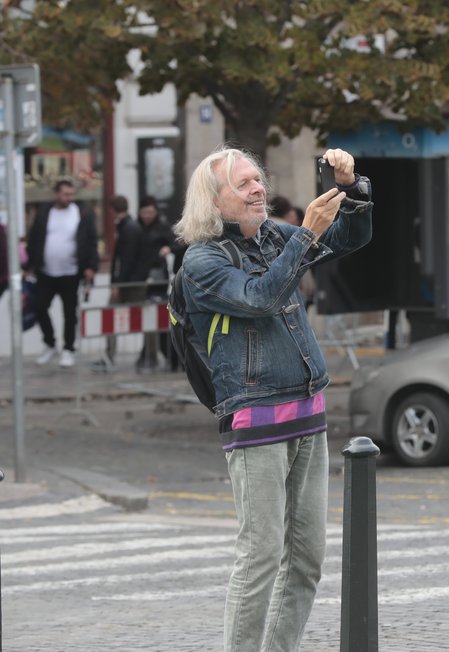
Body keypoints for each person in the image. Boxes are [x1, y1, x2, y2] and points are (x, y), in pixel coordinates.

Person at [176, 145, 372, 651]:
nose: (258, 188)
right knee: (261, 555)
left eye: (257, 179)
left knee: (307, 559)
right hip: (257, 415)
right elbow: (260, 297)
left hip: (308, 409)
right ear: (214, 201)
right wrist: (305, 232)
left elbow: (349, 239)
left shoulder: (271, 237)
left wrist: (349, 189)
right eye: (243, 184)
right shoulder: (202, 260)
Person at [26, 180, 100, 368]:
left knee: (69, 312)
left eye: (71, 194)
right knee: (39, 306)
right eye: (65, 194)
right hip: (46, 272)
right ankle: (50, 344)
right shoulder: (44, 212)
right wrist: (30, 264)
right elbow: (34, 237)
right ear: (56, 194)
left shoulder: (81, 213)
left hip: (71, 272)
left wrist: (91, 266)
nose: (69, 198)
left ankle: (68, 349)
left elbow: (91, 241)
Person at [92, 195, 147, 372]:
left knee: (115, 316)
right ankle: (147, 357)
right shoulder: (128, 226)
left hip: (129, 284)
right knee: (146, 319)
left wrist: (118, 284)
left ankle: (112, 355)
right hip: (132, 282)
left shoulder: (128, 228)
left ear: (113, 210)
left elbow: (126, 260)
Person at [136, 195, 179, 373]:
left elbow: (177, 243)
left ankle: (167, 356)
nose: (148, 216)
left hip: (157, 278)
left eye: (151, 212)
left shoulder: (162, 227)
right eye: (145, 212)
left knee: (157, 318)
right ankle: (149, 354)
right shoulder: (136, 227)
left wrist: (168, 249)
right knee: (144, 319)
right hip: (141, 277)